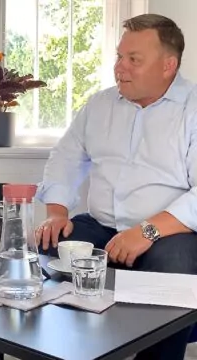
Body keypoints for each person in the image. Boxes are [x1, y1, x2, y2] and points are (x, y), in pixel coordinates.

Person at [36, 13, 197, 360]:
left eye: (133, 59)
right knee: (51, 245)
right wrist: (56, 213)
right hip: (102, 225)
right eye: (119, 57)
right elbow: (65, 157)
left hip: (169, 233)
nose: (119, 67)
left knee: (178, 264)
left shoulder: (193, 109)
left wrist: (147, 231)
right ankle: (72, 350)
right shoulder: (100, 104)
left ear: (168, 65)